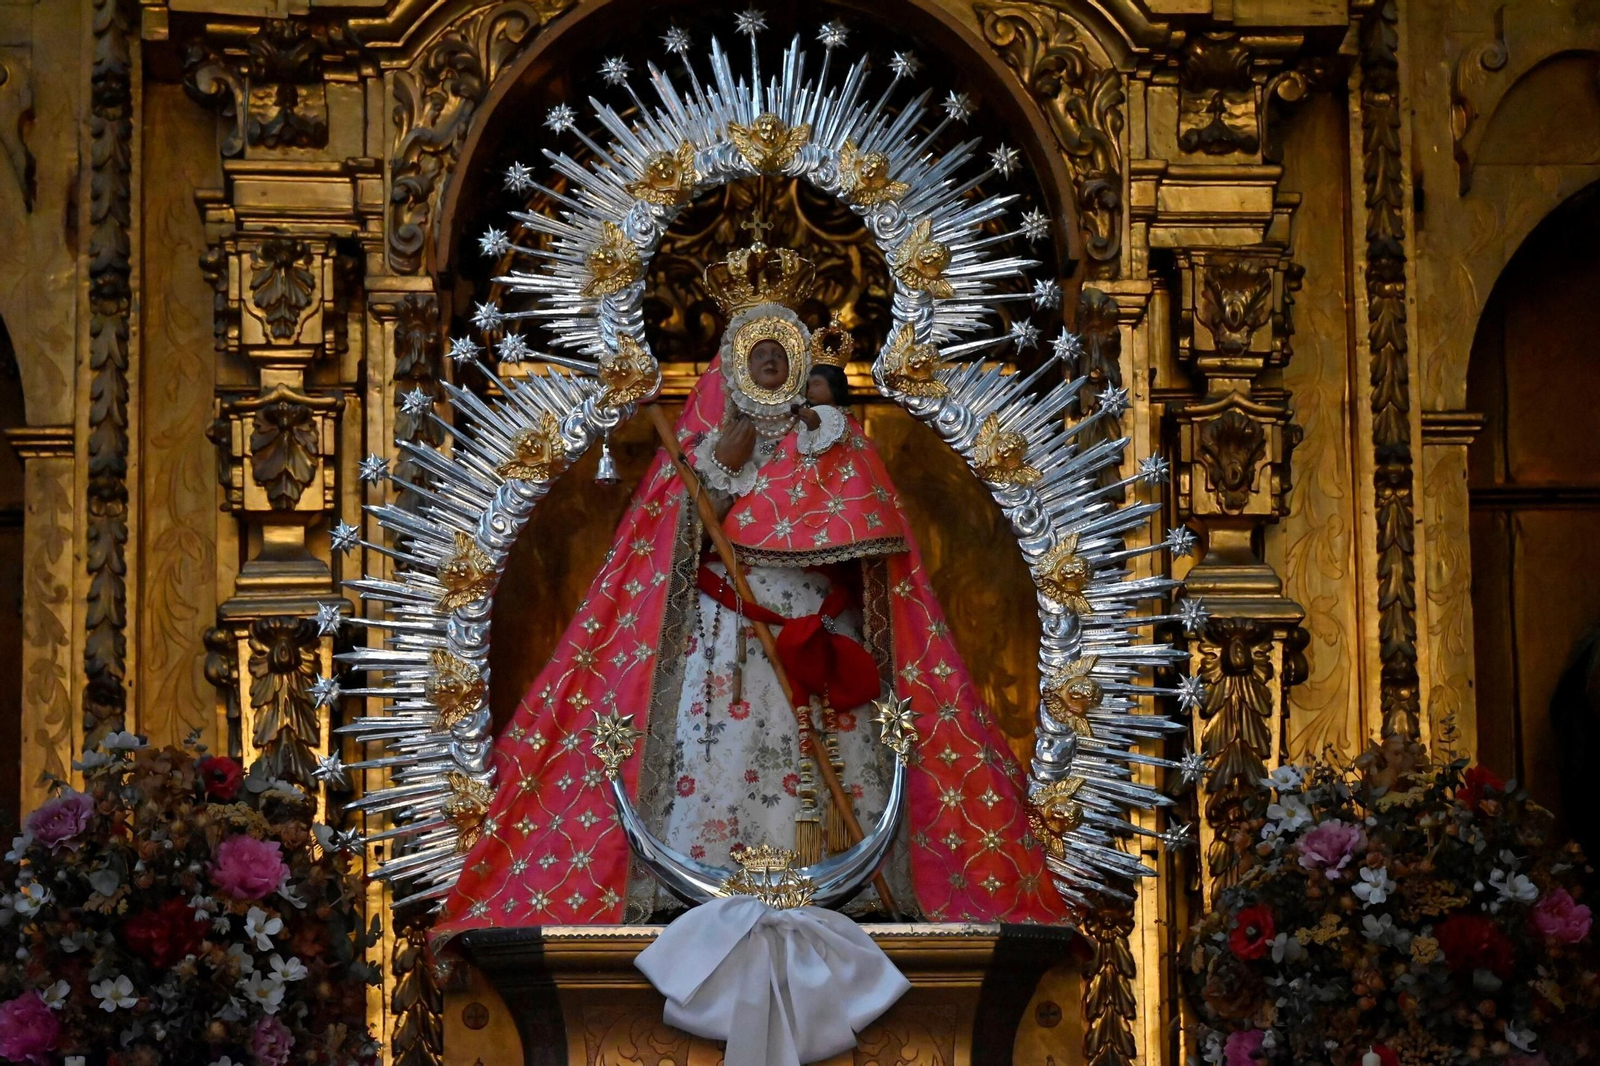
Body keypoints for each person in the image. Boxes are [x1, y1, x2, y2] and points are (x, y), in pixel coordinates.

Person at [435, 241, 1063, 935]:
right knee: (717, 746)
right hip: (727, 631)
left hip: (813, 622)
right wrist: (712, 476)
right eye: (756, 352)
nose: (769, 363)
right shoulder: (706, 445)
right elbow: (667, 547)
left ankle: (837, 874)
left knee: (824, 747)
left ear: (796, 360)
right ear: (734, 364)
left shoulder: (828, 433)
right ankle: (713, 873)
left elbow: (870, 538)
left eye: (779, 352)